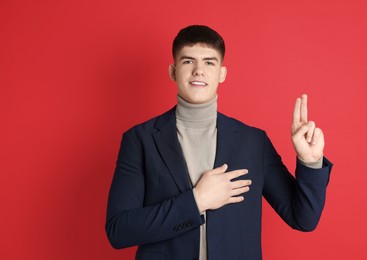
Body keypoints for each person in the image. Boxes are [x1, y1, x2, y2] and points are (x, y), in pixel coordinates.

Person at [105, 25, 333, 260]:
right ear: (173, 71)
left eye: (209, 62)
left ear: (222, 73)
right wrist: (196, 202)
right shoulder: (139, 140)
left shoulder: (253, 142)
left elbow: (303, 219)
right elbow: (118, 230)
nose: (198, 71)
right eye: (188, 61)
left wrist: (310, 162)